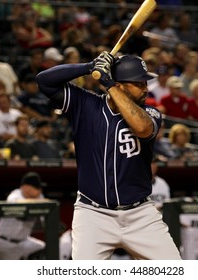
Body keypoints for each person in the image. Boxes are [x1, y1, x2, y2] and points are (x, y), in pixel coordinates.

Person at [36, 52, 181, 260]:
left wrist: (109, 84)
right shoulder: (86, 105)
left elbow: (141, 127)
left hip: (139, 214)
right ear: (121, 85)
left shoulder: (151, 113)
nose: (145, 88)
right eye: (138, 83)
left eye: (145, 83)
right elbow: (45, 81)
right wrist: (89, 66)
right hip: (93, 214)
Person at [0, 172, 46, 260]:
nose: (40, 190)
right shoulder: (14, 196)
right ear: (26, 187)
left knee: (45, 249)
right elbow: (21, 213)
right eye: (37, 188)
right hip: (5, 243)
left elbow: (42, 221)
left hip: (24, 242)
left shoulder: (39, 197)